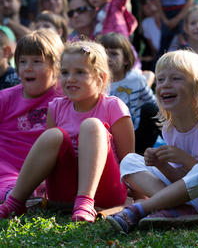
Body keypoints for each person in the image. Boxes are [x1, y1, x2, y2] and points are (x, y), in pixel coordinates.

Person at [106, 50, 198, 233]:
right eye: (161, 80)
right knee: (130, 161)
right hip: (194, 199)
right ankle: (179, 209)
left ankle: (141, 209)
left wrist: (184, 158)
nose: (165, 85)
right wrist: (161, 165)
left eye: (176, 78)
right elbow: (184, 181)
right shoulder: (170, 128)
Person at [0, 40, 135, 222]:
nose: (70, 78)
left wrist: (140, 196)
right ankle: (15, 203)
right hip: (64, 193)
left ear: (100, 78)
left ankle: (85, 202)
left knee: (92, 125)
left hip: (105, 191)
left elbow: (130, 161)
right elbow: (51, 157)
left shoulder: (113, 107)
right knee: (53, 134)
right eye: (65, 72)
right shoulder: (55, 107)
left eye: (80, 72)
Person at [0, 29, 64, 203]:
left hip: (44, 171)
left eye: (37, 61)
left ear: (56, 66)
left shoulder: (64, 98)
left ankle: (22, 193)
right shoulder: (5, 98)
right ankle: (15, 194)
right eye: (22, 62)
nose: (27, 67)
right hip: (6, 168)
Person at [99, 32, 159, 154]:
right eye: (104, 53)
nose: (108, 58)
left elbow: (153, 104)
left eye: (114, 54)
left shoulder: (136, 79)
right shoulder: (97, 81)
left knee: (151, 109)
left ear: (126, 59)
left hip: (136, 133)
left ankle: (172, 143)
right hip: (108, 136)